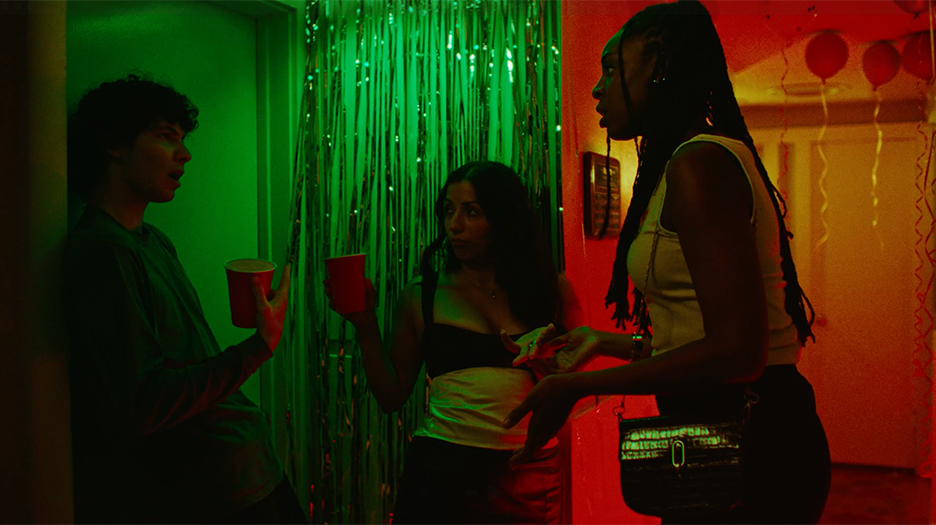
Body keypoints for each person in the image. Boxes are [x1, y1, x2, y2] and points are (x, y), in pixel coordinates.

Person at [503, 1, 832, 523]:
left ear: (657, 65)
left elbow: (739, 355)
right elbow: (699, 337)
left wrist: (578, 385)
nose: (597, 89)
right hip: (725, 427)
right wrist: (601, 342)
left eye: (612, 68)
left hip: (755, 439)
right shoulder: (678, 164)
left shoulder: (698, 162)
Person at [63, 74, 302, 524]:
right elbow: (146, 404)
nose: (184, 153)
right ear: (114, 144)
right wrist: (259, 346)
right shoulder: (104, 252)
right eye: (165, 136)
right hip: (216, 494)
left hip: (250, 471)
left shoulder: (152, 240)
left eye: (182, 139)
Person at [325, 161, 583, 524]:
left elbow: (582, 389)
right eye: (448, 210)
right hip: (441, 470)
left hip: (527, 471)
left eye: (471, 212)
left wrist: (551, 370)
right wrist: (365, 324)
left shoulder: (552, 290)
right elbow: (391, 396)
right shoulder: (423, 293)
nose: (454, 225)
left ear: (504, 218)